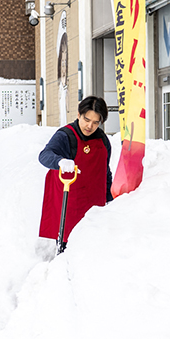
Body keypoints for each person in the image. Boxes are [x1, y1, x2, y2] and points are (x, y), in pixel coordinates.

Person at [38, 96, 113, 248]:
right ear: (78, 114)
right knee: (70, 246)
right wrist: (59, 161)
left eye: (95, 122)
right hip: (70, 205)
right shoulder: (66, 136)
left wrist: (110, 198)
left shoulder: (103, 141)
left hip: (94, 206)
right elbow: (44, 155)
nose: (89, 126)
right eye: (86, 119)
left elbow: (105, 171)